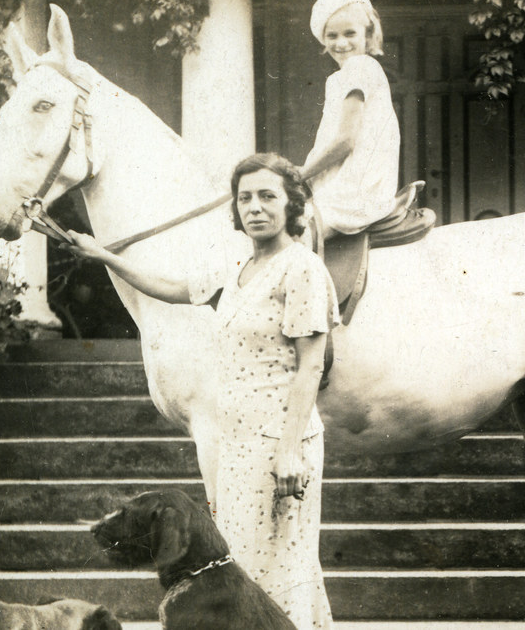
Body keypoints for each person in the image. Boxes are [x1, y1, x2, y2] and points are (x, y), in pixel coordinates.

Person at [66, 153, 339, 629]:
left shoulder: (303, 269)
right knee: (242, 572)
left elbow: (311, 363)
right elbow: (172, 287)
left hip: (280, 444)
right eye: (245, 198)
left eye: (268, 196)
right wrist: (105, 255)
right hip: (234, 444)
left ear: (292, 205)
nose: (255, 207)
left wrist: (290, 451)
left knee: (277, 572)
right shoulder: (237, 268)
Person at [298, 0, 401, 241]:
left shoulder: (359, 66)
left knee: (291, 239)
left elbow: (345, 140)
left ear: (367, 35)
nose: (341, 43)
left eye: (350, 33)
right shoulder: (341, 77)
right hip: (348, 184)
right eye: (332, 35)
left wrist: (302, 173)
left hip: (355, 190)